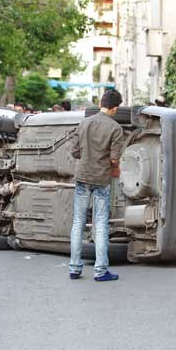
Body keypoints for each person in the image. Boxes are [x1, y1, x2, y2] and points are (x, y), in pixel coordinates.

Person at [69, 89, 123, 282]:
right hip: (101, 180)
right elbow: (115, 160)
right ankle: (100, 271)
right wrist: (112, 164)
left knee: (78, 223)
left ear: (101, 103)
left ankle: (75, 268)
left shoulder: (84, 123)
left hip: (82, 177)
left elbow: (74, 151)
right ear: (115, 108)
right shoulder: (115, 128)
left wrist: (87, 157)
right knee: (100, 225)